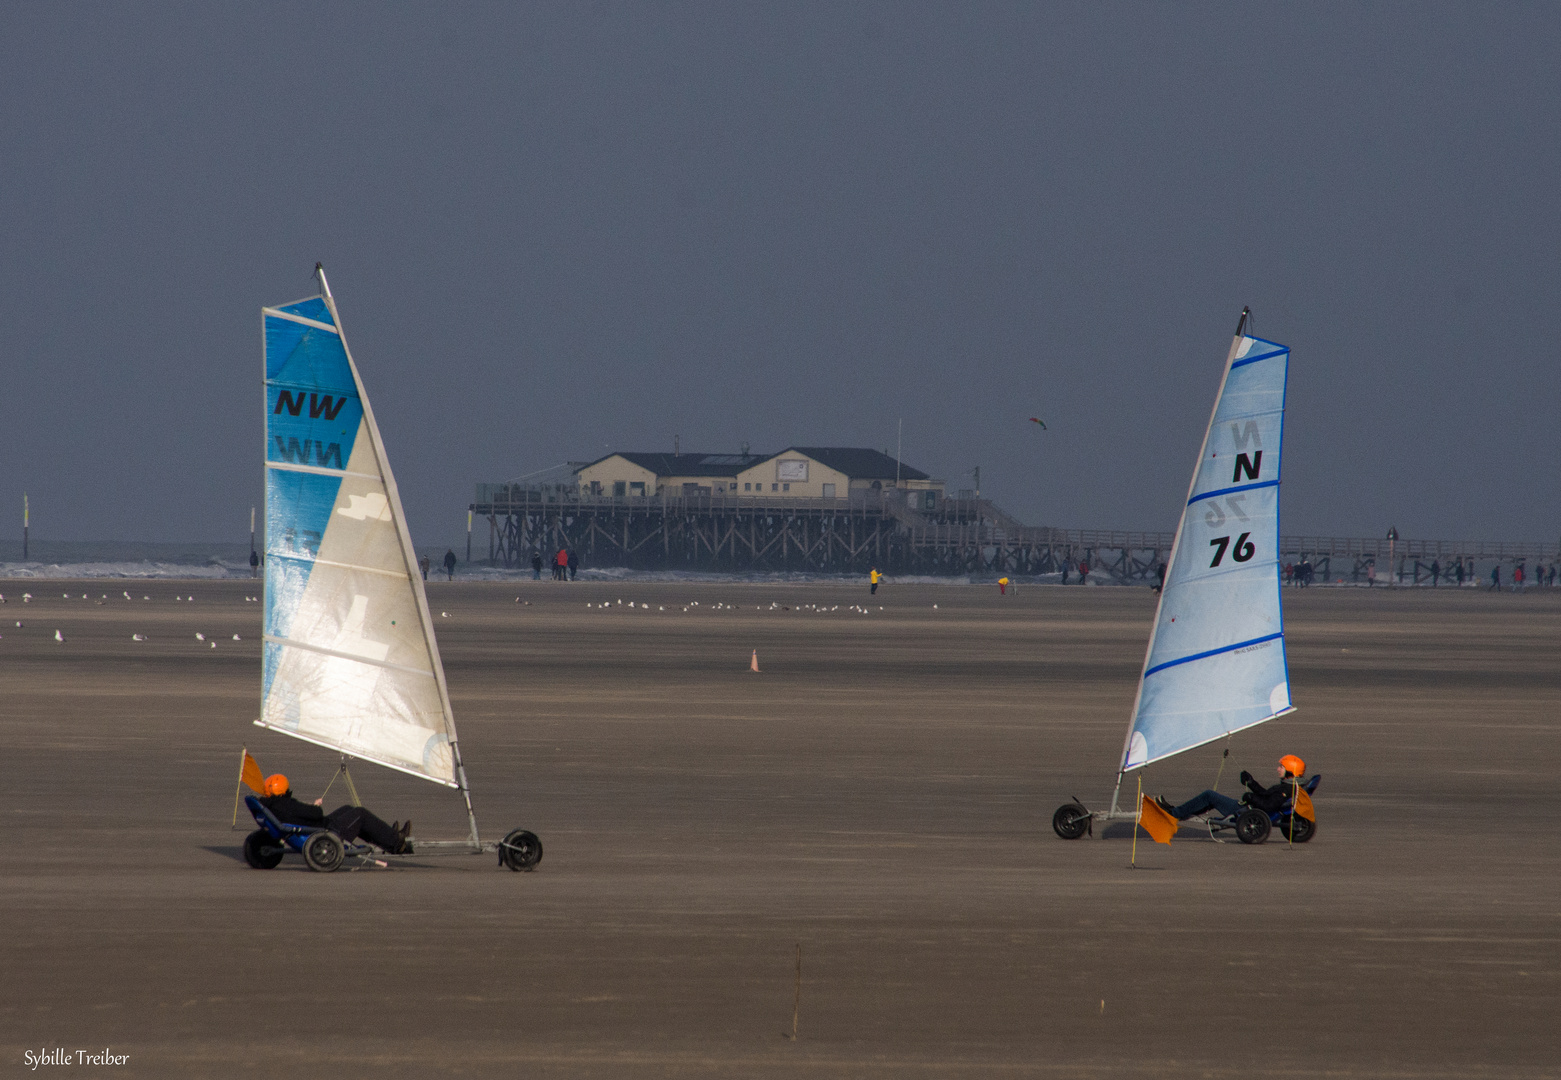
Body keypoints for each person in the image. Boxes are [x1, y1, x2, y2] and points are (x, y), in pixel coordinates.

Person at [258, 774, 412, 854]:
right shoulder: (286, 804)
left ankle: (387, 835)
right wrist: (315, 806)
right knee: (360, 813)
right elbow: (316, 814)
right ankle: (396, 842)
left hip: (313, 827)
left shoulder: (272, 806)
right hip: (325, 831)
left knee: (347, 809)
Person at [1155, 754, 1307, 822]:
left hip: (1245, 811)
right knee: (1209, 800)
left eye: (1281, 767)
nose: (1278, 769)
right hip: (1249, 808)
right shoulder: (1288, 787)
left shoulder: (1285, 790)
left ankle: (1174, 813)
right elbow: (1266, 795)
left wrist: (1250, 797)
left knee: (1209, 795)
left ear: (1290, 770)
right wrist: (1251, 782)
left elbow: (1268, 805)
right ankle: (1177, 813)